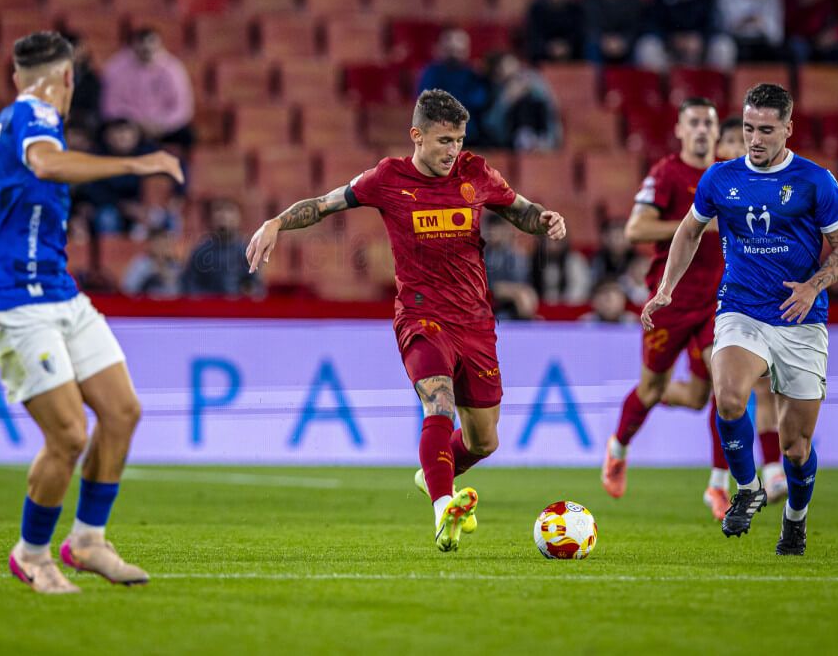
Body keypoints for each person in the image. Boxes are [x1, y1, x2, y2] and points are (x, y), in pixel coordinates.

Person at [245, 89, 567, 552]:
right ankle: (443, 511)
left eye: (458, 139)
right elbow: (326, 203)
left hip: (476, 321)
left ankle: (434, 472)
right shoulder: (387, 178)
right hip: (421, 317)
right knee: (439, 403)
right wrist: (276, 221)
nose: (452, 150)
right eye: (443, 141)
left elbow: (520, 211)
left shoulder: (475, 173)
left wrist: (546, 220)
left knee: (483, 442)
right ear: (416, 136)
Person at [0, 32, 184, 594]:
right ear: (67, 79)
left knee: (122, 411)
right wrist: (137, 161)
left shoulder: (3, 137)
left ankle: (87, 541)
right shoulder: (31, 119)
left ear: (17, 75)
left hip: (59, 294)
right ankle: (32, 554)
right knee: (66, 434)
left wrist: (9, 273)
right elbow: (49, 166)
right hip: (19, 305)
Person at [642, 82, 838, 555]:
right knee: (729, 398)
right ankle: (746, 488)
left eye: (766, 130)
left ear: (787, 128)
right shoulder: (720, 178)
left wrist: (813, 286)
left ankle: (795, 519)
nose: (755, 139)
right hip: (741, 308)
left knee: (796, 448)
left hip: (800, 319)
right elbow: (688, 232)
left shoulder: (815, 180)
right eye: (747, 129)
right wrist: (666, 288)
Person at [654, 112, 786, 518]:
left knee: (757, 387)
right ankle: (649, 394)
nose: (737, 146)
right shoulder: (718, 180)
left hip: (758, 293)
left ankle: (769, 470)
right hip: (718, 302)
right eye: (731, 139)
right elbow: (685, 231)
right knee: (711, 391)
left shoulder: (765, 181)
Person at [602, 98, 723, 502]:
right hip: (669, 299)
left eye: (709, 122)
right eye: (695, 123)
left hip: (719, 301)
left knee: (726, 387)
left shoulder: (728, 176)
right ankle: (618, 449)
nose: (703, 129)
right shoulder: (667, 173)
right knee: (660, 392)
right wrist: (696, 224)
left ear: (718, 130)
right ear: (680, 129)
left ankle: (719, 486)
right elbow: (635, 230)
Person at [636, 0, 733, 73]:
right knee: (646, 47)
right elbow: (651, 24)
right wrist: (671, 39)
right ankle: (663, 87)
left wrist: (700, 39)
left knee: (724, 46)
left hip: (699, 50)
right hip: (669, 50)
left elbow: (714, 24)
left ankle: (714, 86)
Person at [101, 27, 196, 150]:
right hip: (129, 125)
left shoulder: (174, 69)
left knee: (188, 136)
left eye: (151, 45)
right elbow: (110, 105)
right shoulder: (116, 67)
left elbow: (183, 107)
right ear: (133, 46)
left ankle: (179, 168)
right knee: (109, 134)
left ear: (160, 46)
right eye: (142, 45)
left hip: (163, 126)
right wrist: (135, 123)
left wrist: (162, 124)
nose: (146, 49)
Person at [416, 29, 490, 145]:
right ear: (441, 49)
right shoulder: (431, 73)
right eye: (450, 50)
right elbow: (426, 103)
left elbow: (479, 101)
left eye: (459, 50)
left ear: (467, 50)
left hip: (470, 136)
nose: (454, 55)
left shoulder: (474, 75)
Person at [483, 52, 561, 151]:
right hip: (510, 137)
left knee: (529, 102)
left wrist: (530, 90)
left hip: (542, 133)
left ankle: (536, 139)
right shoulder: (496, 90)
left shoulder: (533, 80)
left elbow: (551, 107)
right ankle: (524, 138)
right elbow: (491, 124)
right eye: (502, 67)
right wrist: (507, 100)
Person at [182, 200, 261, 297]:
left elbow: (257, 288)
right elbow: (189, 287)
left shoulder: (248, 252)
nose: (223, 215)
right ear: (210, 217)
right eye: (218, 210)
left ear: (239, 217)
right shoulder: (200, 252)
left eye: (229, 210)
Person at [582, 0, 647, 64]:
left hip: (625, 43)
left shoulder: (634, 1)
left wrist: (624, 41)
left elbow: (637, 27)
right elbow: (589, 26)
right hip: (601, 43)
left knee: (641, 45)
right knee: (590, 45)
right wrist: (603, 40)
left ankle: (630, 79)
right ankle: (594, 79)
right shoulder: (590, 0)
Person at [525, 0, 584, 64]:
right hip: (542, 54)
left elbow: (578, 34)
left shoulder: (577, 8)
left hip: (571, 54)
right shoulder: (537, 8)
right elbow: (534, 35)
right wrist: (550, 48)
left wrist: (566, 46)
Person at [121, 227, 182, 298]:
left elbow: (180, 293)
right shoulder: (140, 263)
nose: (163, 248)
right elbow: (127, 289)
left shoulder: (175, 266)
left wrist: (166, 276)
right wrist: (149, 273)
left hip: (169, 306)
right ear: (151, 245)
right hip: (145, 305)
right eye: (159, 244)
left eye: (166, 245)